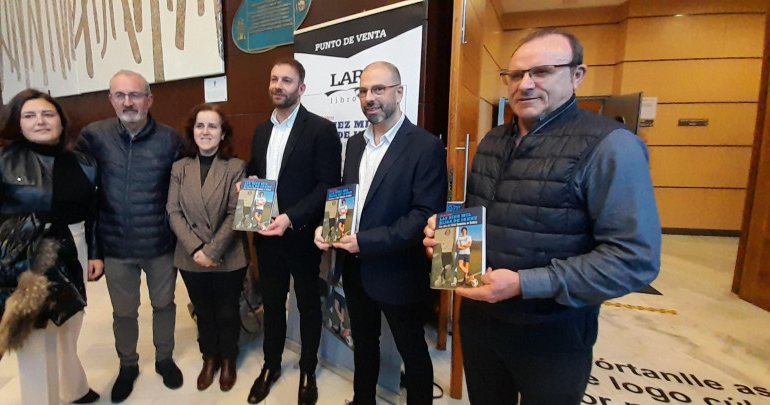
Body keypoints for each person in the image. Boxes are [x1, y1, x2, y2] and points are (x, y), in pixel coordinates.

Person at [423, 29, 661, 405]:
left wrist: (524, 283)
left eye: (542, 72)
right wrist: (446, 240)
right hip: (480, 323)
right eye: (516, 75)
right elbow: (479, 217)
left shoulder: (611, 146)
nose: (526, 84)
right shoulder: (491, 141)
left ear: (577, 75)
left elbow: (634, 259)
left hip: (553, 333)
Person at [315, 61, 447, 405]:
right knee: (363, 342)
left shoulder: (425, 146)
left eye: (378, 89)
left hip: (399, 271)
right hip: (356, 269)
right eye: (363, 91)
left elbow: (424, 216)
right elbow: (350, 199)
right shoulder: (355, 144)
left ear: (399, 93)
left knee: (412, 351)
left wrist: (365, 241)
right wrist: (329, 228)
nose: (369, 97)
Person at [0, 89, 100, 404]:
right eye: (30, 115)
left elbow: (92, 213)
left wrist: (95, 253)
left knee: (68, 323)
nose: (41, 121)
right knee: (35, 340)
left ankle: (73, 387)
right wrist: (3, 251)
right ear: (16, 123)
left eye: (48, 114)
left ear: (62, 122)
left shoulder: (82, 161)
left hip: (74, 248)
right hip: (24, 254)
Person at [80, 70, 184, 402]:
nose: (128, 102)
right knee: (124, 312)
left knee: (165, 305)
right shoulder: (93, 137)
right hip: (116, 245)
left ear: (149, 100)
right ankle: (128, 365)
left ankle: (165, 359)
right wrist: (93, 251)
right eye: (120, 95)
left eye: (136, 95)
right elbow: (85, 198)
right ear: (110, 99)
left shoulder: (171, 140)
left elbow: (188, 189)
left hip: (161, 244)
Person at [244, 58, 341, 405]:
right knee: (272, 304)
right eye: (274, 79)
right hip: (265, 237)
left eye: (286, 80)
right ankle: (271, 366)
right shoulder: (260, 131)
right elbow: (257, 171)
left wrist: (290, 217)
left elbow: (327, 185)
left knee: (307, 305)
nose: (278, 86)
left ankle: (307, 370)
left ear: (300, 88)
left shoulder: (320, 130)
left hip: (300, 235)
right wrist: (252, 180)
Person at [166, 104, 248, 392]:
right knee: (203, 310)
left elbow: (236, 213)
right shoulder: (179, 167)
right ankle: (209, 358)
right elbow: (173, 211)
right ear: (192, 132)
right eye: (200, 126)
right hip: (190, 256)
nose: (206, 131)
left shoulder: (236, 167)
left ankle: (228, 359)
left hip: (228, 253)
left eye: (212, 126)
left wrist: (211, 250)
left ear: (223, 133)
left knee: (227, 310)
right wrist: (196, 248)